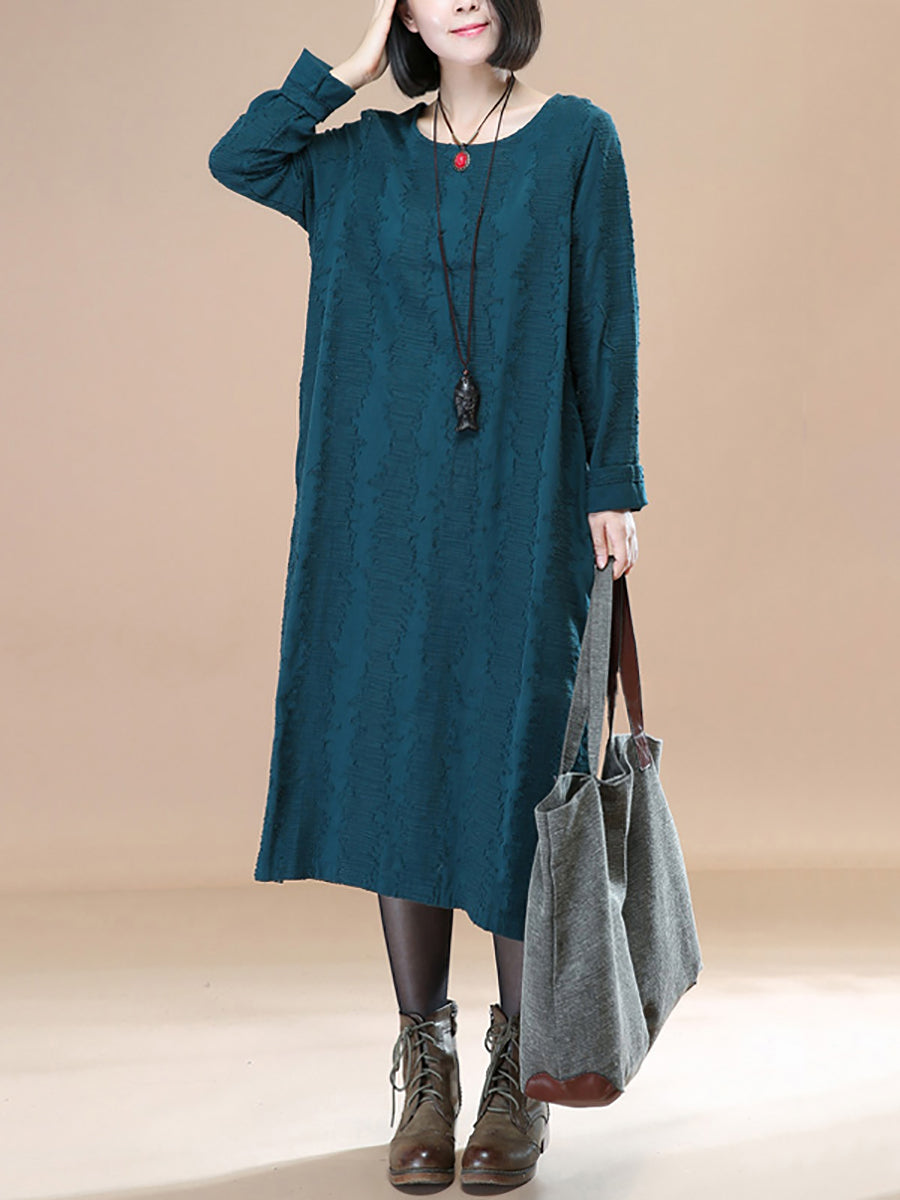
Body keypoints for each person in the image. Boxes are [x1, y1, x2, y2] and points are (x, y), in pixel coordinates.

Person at [208, 0, 646, 1188]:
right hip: (385, 522)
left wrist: (614, 481)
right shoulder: (361, 161)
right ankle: (428, 1063)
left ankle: (519, 1072)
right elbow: (242, 157)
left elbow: (607, 317)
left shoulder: (578, 140)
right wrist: (354, 67)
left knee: (515, 777)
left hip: (527, 507)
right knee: (404, 771)